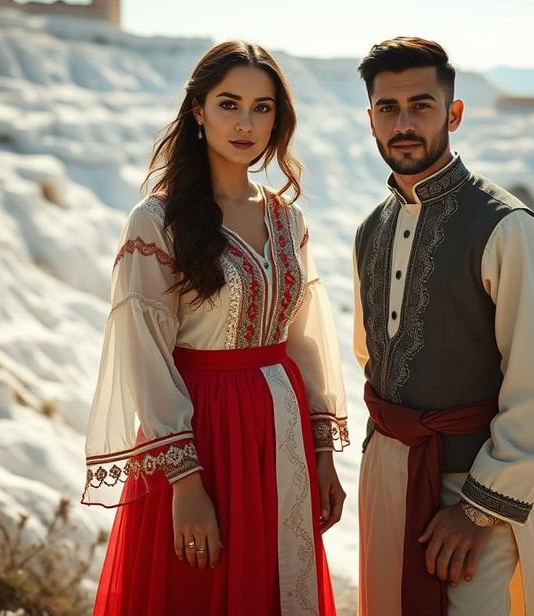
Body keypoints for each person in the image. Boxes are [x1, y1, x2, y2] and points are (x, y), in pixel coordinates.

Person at [83, 41, 348, 615]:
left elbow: (303, 338)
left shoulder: (287, 217)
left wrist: (324, 451)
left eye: (263, 107)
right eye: (229, 104)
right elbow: (144, 356)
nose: (246, 123)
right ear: (198, 111)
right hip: (201, 433)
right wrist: (184, 482)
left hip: (283, 435)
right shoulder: (157, 220)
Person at [352, 37, 534, 615]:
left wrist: (479, 510)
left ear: (454, 113)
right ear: (370, 119)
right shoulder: (369, 231)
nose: (404, 124)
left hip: (476, 494)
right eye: (387, 108)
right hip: (389, 483)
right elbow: (371, 358)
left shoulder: (507, 228)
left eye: (421, 106)